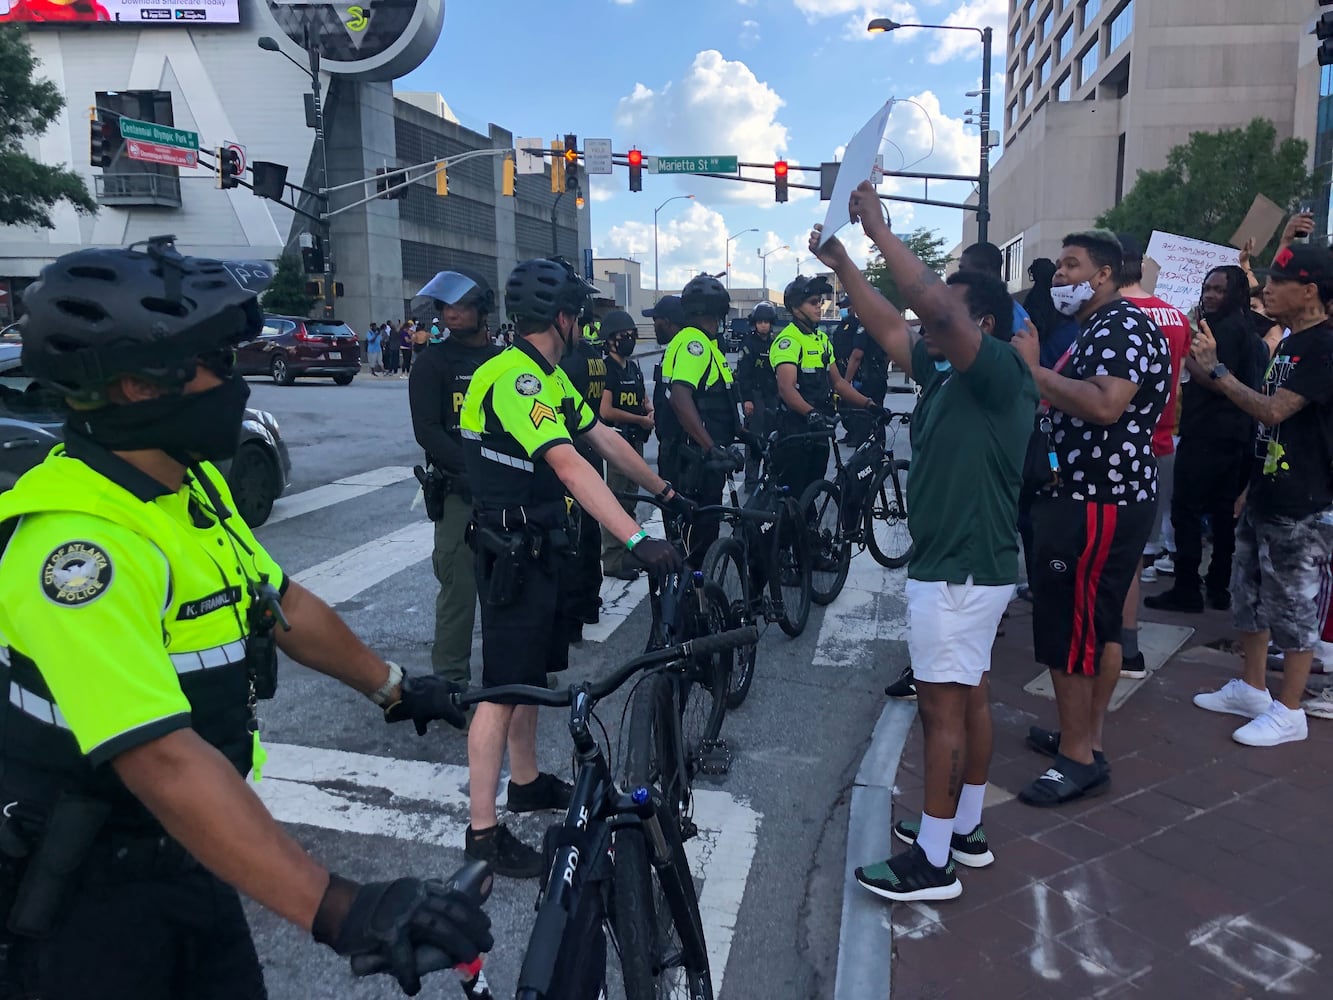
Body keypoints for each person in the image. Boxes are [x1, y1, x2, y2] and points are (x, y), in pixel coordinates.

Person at [0, 239, 491, 999]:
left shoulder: (185, 486)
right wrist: (339, 908)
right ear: (136, 386)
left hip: (192, 857)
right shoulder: (77, 549)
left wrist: (395, 688)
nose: (234, 382)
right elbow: (160, 758)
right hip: (88, 897)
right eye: (213, 363)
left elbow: (281, 604)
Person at [817, 184, 1037, 902]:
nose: (927, 308)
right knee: (966, 699)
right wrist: (845, 262)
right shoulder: (944, 370)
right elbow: (887, 325)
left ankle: (932, 861)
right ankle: (964, 830)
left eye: (944, 304)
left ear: (980, 321)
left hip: (960, 571)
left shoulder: (999, 371)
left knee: (940, 710)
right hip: (961, 567)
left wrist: (880, 231)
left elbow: (928, 307)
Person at [460, 257, 688, 877]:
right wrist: (637, 537)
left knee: (529, 674)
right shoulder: (515, 378)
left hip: (538, 548)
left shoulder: (549, 377)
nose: (583, 328)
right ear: (561, 318)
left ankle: (527, 781)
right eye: (579, 318)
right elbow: (568, 463)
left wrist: (664, 492)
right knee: (502, 687)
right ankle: (482, 833)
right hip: (509, 550)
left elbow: (606, 441)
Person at [1011, 229, 1169, 806]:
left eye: (1071, 266)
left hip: (1096, 500)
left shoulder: (1120, 326)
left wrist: (1032, 369)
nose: (1060, 277)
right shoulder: (1099, 328)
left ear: (1103, 274)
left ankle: (1078, 758)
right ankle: (1084, 737)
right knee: (1094, 624)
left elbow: (1104, 404)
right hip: (1098, 495)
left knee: (1070, 626)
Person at [1188, 244, 1333, 747]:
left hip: (1302, 503)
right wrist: (1250, 486)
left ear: (1310, 290)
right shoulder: (1291, 342)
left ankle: (1289, 710)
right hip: (1266, 491)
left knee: (1293, 604)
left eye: (1278, 280)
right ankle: (1252, 688)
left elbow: (1274, 412)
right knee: (1246, 593)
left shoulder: (1322, 346)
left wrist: (1218, 372)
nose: (1265, 289)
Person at [1146, 265, 1265, 615]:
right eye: (1207, 288)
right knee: (1222, 513)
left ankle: (1187, 588)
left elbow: (1219, 380)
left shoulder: (1223, 331)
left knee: (1186, 510)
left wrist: (1187, 358)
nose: (1210, 295)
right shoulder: (1247, 329)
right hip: (1234, 436)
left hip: (1208, 435)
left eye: (1218, 289)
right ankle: (1217, 585)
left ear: (1235, 294)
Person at [409, 270, 501, 690]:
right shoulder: (432, 363)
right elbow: (427, 431)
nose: (450, 314)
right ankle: (450, 683)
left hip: (505, 493)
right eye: (445, 307)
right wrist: (473, 468)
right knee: (458, 592)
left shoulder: (504, 362)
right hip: (460, 494)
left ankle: (512, 673)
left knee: (509, 589)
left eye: (461, 306)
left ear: (483, 310)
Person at [1112, 234, 1192, 679]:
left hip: (1116, 444)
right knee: (1137, 551)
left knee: (1114, 552)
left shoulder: (1114, 317)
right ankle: (1126, 644)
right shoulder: (1176, 317)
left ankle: (1118, 645)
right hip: (1161, 438)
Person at [660, 275, 747, 563]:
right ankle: (691, 603)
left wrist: (747, 437)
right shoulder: (694, 344)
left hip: (702, 459)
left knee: (702, 537)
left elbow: (716, 404)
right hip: (691, 462)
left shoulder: (708, 345)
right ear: (720, 313)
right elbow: (680, 398)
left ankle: (698, 599)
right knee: (694, 545)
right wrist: (710, 446)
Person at [770, 274, 878, 497]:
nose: (819, 307)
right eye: (813, 302)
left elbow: (838, 382)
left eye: (820, 302)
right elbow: (786, 388)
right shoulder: (788, 341)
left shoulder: (821, 340)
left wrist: (869, 405)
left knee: (813, 493)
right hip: (795, 432)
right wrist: (810, 413)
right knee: (794, 497)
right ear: (795, 307)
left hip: (819, 428)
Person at [559, 293, 610, 641]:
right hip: (592, 451)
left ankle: (573, 615)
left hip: (569, 451)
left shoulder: (565, 362)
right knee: (591, 531)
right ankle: (591, 602)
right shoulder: (596, 359)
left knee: (573, 536)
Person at [598, 310, 655, 581]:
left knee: (631, 498)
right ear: (610, 340)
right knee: (617, 500)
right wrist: (640, 419)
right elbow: (606, 411)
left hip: (636, 440)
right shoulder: (607, 369)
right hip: (618, 440)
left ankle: (627, 549)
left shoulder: (632, 367)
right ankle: (612, 557)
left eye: (632, 336)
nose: (629, 340)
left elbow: (643, 397)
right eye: (624, 337)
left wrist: (650, 411)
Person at [734, 300, 780, 490]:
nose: (764, 325)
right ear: (754, 323)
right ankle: (751, 480)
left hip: (772, 396)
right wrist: (747, 400)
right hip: (754, 395)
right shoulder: (748, 344)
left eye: (767, 322)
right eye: (760, 322)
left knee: (773, 437)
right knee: (754, 438)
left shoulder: (775, 343)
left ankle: (770, 475)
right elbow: (742, 376)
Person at [644, 294, 687, 483]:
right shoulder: (674, 350)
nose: (654, 326)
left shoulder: (683, 353)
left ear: (667, 322)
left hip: (678, 448)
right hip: (671, 445)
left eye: (656, 320)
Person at [959, 241, 1031, 335]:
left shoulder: (1016, 317)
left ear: (986, 271)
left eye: (963, 269)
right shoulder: (976, 308)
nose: (959, 275)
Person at [844, 302, 891, 448]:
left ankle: (865, 458)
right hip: (880, 379)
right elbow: (889, 354)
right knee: (878, 415)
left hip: (866, 379)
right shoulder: (883, 328)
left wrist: (846, 382)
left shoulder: (864, 328)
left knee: (864, 418)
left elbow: (857, 355)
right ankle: (879, 451)